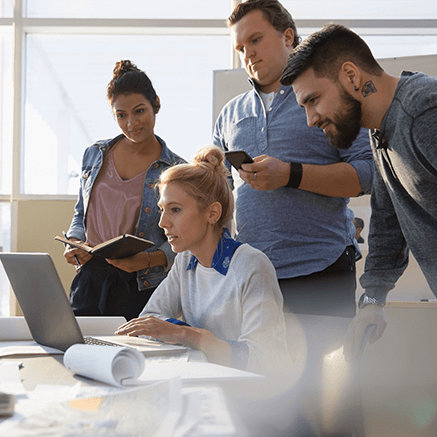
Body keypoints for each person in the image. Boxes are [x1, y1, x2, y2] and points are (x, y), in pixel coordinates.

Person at [280, 23, 437, 361]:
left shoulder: (424, 112)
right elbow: (387, 220)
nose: (310, 119)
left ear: (351, 76)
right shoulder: (380, 133)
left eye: (313, 100)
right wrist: (372, 300)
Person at [213, 0, 374, 320]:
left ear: (288, 37)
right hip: (252, 277)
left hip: (321, 274)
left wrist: (290, 174)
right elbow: (219, 195)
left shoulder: (330, 95)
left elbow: (367, 173)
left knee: (322, 371)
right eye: (241, 47)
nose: (248, 54)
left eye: (255, 40)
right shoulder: (229, 114)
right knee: (257, 371)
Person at [115, 146, 291, 376]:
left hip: (250, 399)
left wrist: (189, 336)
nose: (163, 223)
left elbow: (265, 361)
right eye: (162, 210)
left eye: (175, 209)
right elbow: (150, 320)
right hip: (205, 382)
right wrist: (186, 335)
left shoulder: (252, 265)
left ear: (212, 213)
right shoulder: (185, 260)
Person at [63, 60, 185, 321]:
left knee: (135, 359)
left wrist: (149, 260)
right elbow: (81, 213)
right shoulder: (94, 154)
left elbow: (185, 238)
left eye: (139, 111)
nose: (131, 123)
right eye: (121, 115)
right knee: (78, 354)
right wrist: (74, 242)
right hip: (89, 278)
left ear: (156, 104)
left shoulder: (177, 170)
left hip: (141, 283)